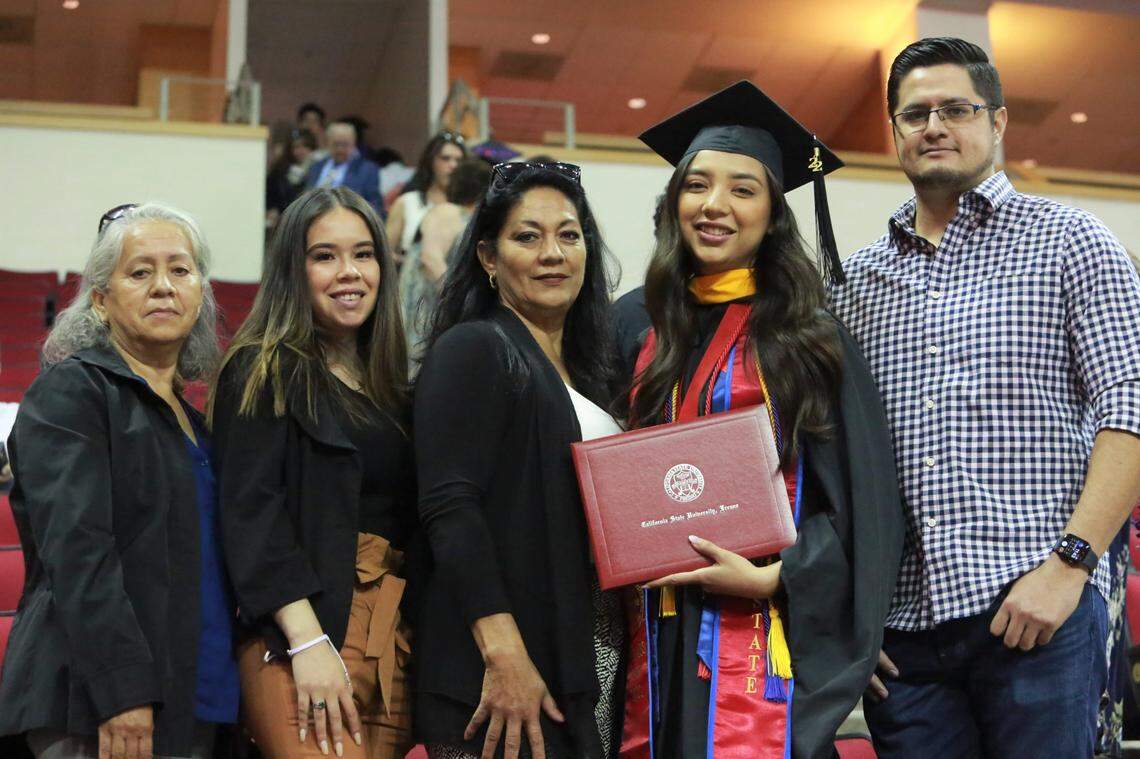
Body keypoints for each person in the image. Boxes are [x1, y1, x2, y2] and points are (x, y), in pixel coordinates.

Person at [829, 38, 1140, 758]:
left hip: (1037, 613)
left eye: (956, 108)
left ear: (997, 122)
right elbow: (834, 459)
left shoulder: (1070, 240)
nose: (933, 125)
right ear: (896, 133)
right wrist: (851, 619)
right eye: (914, 114)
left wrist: (1069, 565)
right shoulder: (854, 286)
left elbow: (1130, 406)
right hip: (903, 641)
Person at [616, 81, 904, 759]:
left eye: (742, 189)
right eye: (697, 186)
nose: (714, 206)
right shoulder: (632, 322)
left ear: (773, 211)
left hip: (758, 627)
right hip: (644, 629)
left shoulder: (809, 338)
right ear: (674, 201)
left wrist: (778, 577)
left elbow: (861, 506)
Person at [0, 203, 234, 758]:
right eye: (139, 272)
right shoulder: (72, 392)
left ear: (201, 292)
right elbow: (80, 554)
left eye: (180, 270)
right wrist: (121, 690)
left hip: (195, 695)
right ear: (100, 301)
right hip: (97, 703)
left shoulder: (192, 418)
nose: (163, 287)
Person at [413, 161, 622, 759]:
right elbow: (449, 508)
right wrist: (504, 654)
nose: (552, 253)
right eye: (527, 236)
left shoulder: (595, 370)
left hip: (584, 649)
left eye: (569, 234)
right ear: (487, 255)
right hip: (499, 675)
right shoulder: (475, 348)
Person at [210, 187, 414, 759]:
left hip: (392, 632)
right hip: (303, 628)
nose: (349, 272)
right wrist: (309, 644)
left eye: (364, 253)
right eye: (324, 256)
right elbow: (251, 516)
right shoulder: (262, 367)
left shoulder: (392, 385)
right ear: (291, 271)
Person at [398, 157, 491, 361]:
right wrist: (461, 302)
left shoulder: (462, 216)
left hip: (435, 311)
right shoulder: (449, 212)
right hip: (427, 311)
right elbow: (430, 258)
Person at [384, 132, 467, 264]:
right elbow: (384, 253)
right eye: (445, 158)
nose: (453, 165)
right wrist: (411, 266)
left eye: (459, 160)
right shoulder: (407, 203)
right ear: (431, 162)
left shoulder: (468, 207)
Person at [305, 122, 384, 215]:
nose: (340, 149)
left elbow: (375, 206)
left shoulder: (367, 170)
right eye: (336, 144)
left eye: (345, 144)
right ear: (328, 143)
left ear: (353, 144)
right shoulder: (316, 166)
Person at [267, 128, 319, 225]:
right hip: (283, 220)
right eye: (296, 147)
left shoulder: (320, 170)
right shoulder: (279, 170)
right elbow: (270, 195)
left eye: (306, 146)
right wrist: (272, 209)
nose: (301, 151)